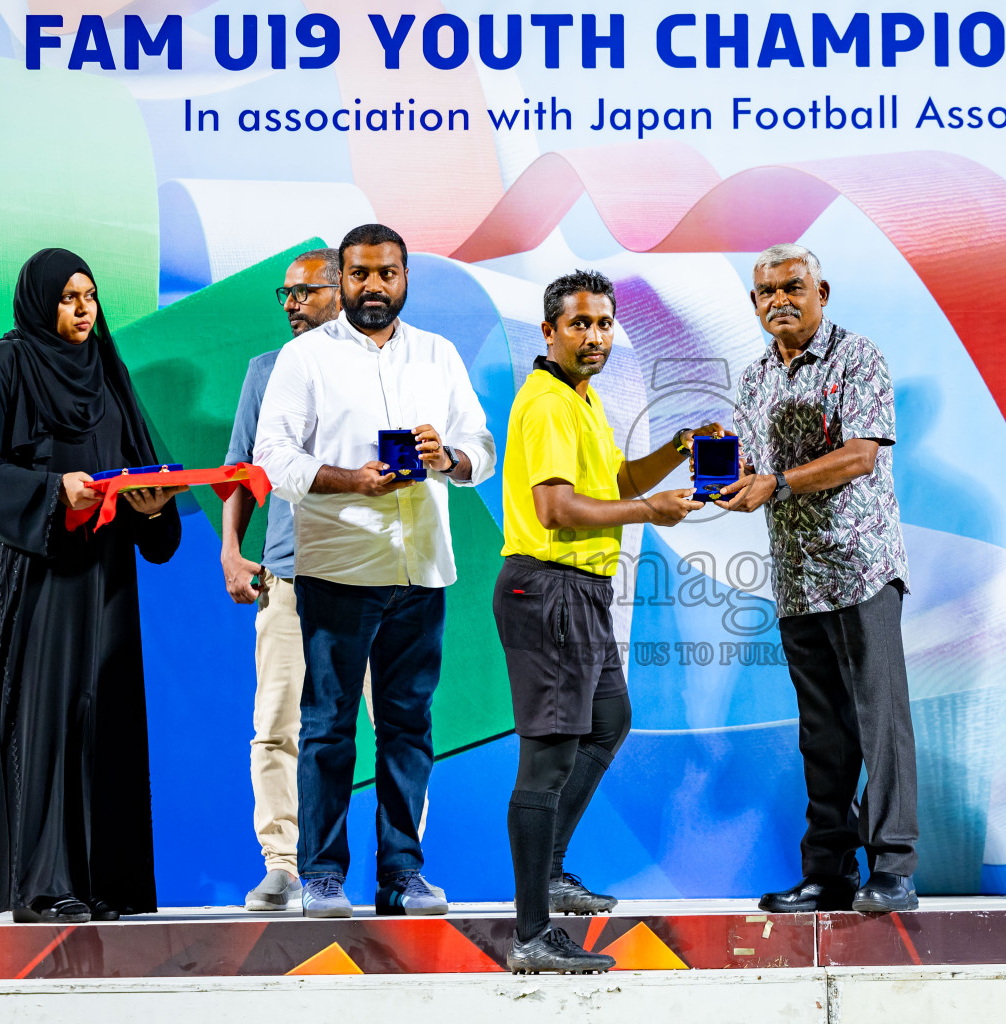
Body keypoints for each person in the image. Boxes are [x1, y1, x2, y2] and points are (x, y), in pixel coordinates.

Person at [253, 223, 496, 918]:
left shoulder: (438, 355)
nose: (372, 287)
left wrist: (446, 457)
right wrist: (346, 481)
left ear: (405, 277)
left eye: (385, 274)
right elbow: (275, 455)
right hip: (337, 568)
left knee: (409, 726)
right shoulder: (305, 358)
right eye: (359, 275)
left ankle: (403, 875)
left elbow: (481, 446)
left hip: (422, 571)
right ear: (343, 279)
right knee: (327, 728)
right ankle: (321, 876)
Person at [0, 248, 184, 923]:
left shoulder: (109, 373)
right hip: (39, 572)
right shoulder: (3, 365)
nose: (83, 309)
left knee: (103, 712)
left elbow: (145, 469)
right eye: (67, 298)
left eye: (89, 296)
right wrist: (54, 491)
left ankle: (102, 881)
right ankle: (45, 884)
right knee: (46, 717)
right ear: (38, 302)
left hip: (105, 573)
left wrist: (154, 507)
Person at [496, 269, 716, 973]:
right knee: (548, 758)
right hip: (549, 586)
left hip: (579, 591)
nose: (595, 336)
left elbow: (613, 485)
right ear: (549, 331)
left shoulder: (579, 399)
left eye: (603, 324)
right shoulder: (549, 404)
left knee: (608, 718)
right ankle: (531, 934)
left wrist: (678, 449)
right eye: (580, 324)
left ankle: (550, 873)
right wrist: (653, 512)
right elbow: (559, 508)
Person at [717, 244, 919, 914]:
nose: (780, 299)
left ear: (821, 291)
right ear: (754, 303)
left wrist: (774, 483)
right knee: (823, 733)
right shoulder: (751, 381)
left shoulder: (857, 357)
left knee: (879, 721)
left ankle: (893, 870)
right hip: (799, 577)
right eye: (767, 291)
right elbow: (753, 473)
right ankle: (828, 872)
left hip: (861, 568)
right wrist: (720, 478)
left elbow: (860, 456)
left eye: (793, 287)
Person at [221, 247, 360, 912]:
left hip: (372, 578)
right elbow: (240, 472)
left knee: (385, 728)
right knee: (278, 725)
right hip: (287, 578)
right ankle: (283, 862)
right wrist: (229, 549)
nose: (290, 304)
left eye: (304, 292)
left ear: (345, 291)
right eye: (285, 293)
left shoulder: (380, 367)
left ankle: (392, 866)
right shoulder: (265, 371)